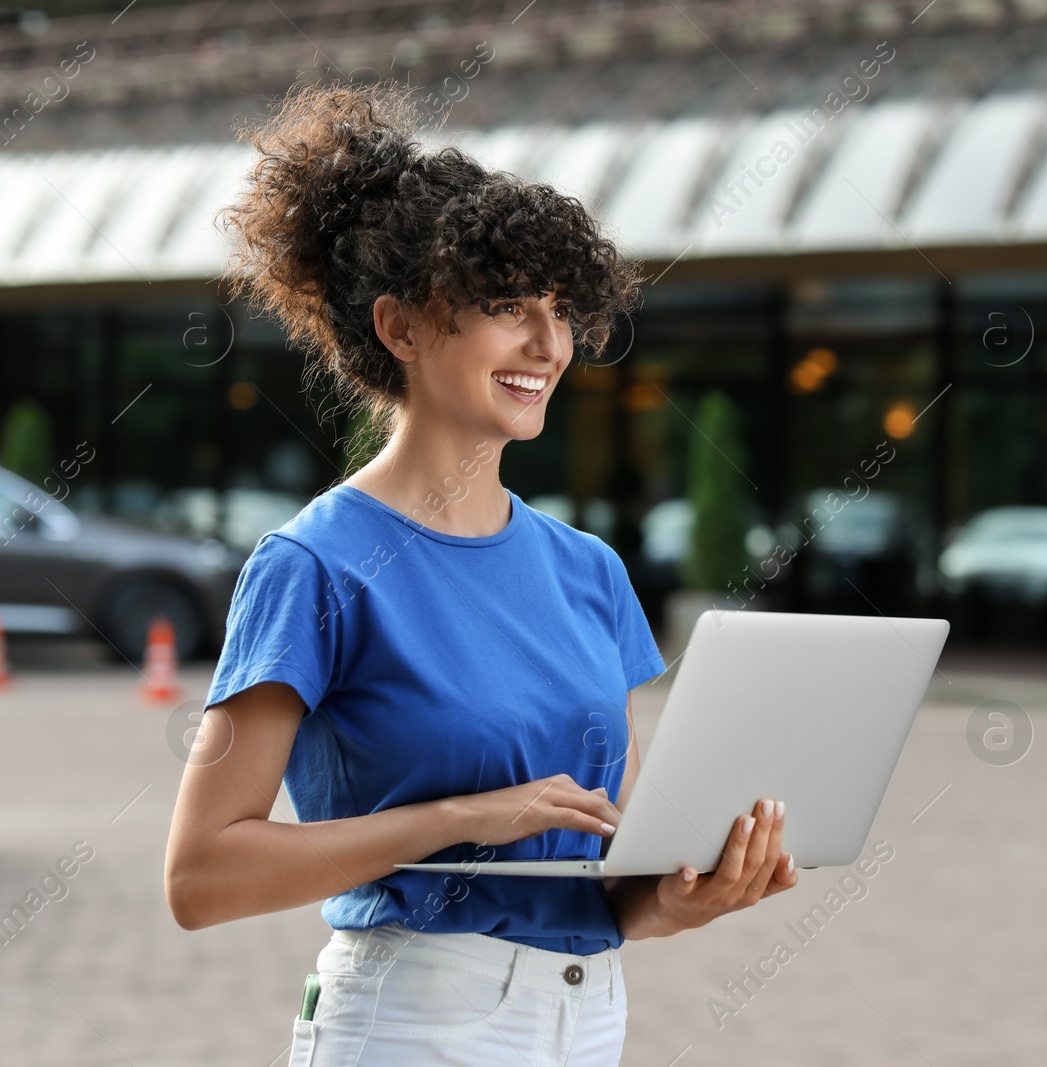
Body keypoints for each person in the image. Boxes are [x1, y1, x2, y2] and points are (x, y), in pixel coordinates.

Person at [164, 81, 797, 1067]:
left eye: (560, 311)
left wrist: (683, 894)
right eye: (506, 308)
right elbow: (201, 875)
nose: (548, 345)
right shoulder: (314, 565)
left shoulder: (588, 571)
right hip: (414, 1017)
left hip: (587, 1019)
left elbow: (607, 875)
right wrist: (463, 821)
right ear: (401, 326)